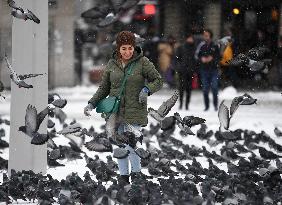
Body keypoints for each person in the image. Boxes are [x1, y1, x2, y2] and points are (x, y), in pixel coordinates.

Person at [83, 31, 163, 185]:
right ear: (118, 49)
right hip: (115, 113)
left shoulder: (143, 62)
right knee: (120, 146)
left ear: (134, 47)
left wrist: (147, 89)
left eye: (130, 48)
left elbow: (158, 80)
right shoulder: (112, 64)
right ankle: (123, 178)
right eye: (124, 48)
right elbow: (104, 88)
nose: (128, 52)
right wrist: (92, 103)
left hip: (134, 111)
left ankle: (137, 175)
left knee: (133, 145)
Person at [195, 29, 220, 111]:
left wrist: (212, 59)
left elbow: (219, 57)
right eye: (204, 35)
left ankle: (215, 105)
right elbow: (197, 56)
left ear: (210, 36)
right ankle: (207, 106)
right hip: (204, 70)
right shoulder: (201, 45)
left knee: (214, 88)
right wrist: (201, 59)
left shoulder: (215, 45)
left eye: (207, 35)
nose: (205, 37)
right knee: (205, 89)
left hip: (213, 70)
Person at [174, 33, 196, 110]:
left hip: (190, 71)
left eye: (191, 38)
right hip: (182, 70)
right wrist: (178, 67)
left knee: (189, 89)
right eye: (189, 38)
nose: (191, 40)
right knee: (182, 88)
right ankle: (181, 104)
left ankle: (187, 104)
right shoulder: (181, 47)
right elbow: (176, 59)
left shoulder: (194, 48)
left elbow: (195, 60)